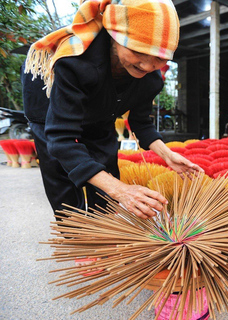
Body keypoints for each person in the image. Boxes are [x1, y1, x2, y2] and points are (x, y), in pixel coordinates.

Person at [23, 0, 203, 221]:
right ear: (115, 36)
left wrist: (168, 155)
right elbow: (61, 139)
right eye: (138, 51)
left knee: (106, 159)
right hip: (48, 105)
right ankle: (76, 235)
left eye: (159, 58)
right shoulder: (75, 62)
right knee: (60, 168)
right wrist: (121, 190)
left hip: (100, 111)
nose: (147, 66)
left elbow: (141, 123)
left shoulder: (151, 80)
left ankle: (103, 227)